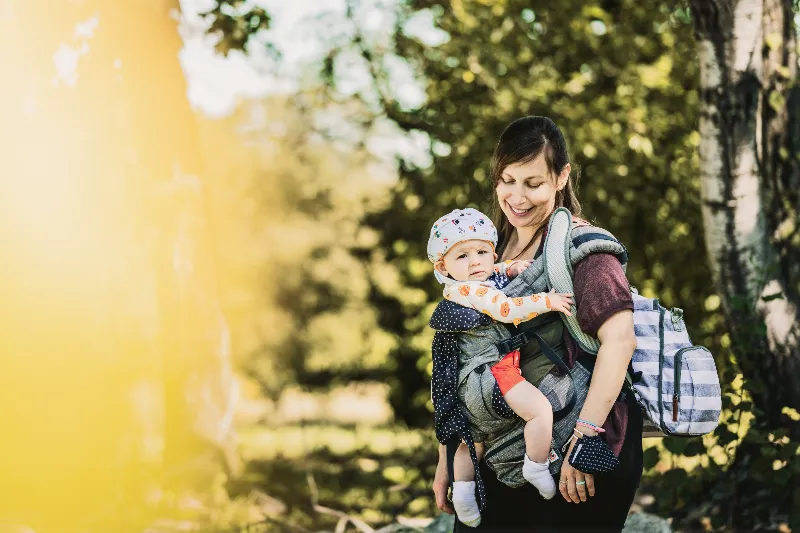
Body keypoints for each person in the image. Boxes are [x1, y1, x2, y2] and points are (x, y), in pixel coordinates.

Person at [430, 116, 643, 532]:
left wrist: (584, 440)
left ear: (561, 177)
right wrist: (449, 458)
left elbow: (620, 340)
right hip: (497, 449)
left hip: (575, 447)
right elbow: (455, 358)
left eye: (533, 183)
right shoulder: (488, 253)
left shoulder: (584, 247)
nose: (517, 196)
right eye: (507, 180)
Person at [426, 207, 575, 527]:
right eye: (463, 256)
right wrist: (546, 302)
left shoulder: (459, 288)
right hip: (496, 376)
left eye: (482, 251)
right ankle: (536, 465)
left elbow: (491, 273)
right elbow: (506, 309)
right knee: (540, 412)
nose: (476, 261)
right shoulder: (472, 290)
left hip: (468, 388)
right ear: (443, 266)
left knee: (471, 441)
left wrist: (509, 267)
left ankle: (464, 496)